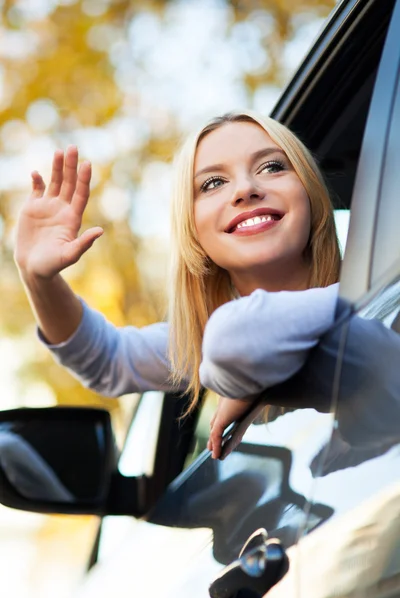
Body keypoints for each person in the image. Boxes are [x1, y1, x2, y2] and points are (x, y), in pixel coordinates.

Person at [14, 110, 341, 459]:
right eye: (212, 183)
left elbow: (236, 338)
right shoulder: (199, 340)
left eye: (272, 167)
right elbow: (107, 360)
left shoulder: (382, 283)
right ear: (193, 232)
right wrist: (38, 279)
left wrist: (244, 367)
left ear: (308, 189)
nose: (246, 189)